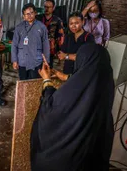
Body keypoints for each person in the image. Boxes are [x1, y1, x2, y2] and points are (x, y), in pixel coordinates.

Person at [31, 43, 114, 171]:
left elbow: (51, 108)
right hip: (92, 158)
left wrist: (46, 80)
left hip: (69, 161)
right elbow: (86, 82)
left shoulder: (72, 94)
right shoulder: (107, 83)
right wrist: (64, 76)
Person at [11, 3, 50, 80]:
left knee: (35, 83)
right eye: (27, 14)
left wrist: (46, 61)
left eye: (31, 13)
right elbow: (14, 45)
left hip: (36, 61)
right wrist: (14, 60)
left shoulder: (42, 27)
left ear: (35, 13)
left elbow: (46, 45)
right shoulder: (19, 28)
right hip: (22, 61)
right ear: (23, 16)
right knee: (23, 82)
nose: (29, 15)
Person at [36, 0, 64, 68]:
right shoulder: (37, 18)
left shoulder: (57, 20)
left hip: (50, 47)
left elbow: (60, 36)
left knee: (48, 66)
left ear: (53, 8)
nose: (47, 9)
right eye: (45, 6)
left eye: (49, 7)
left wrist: (59, 50)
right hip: (37, 46)